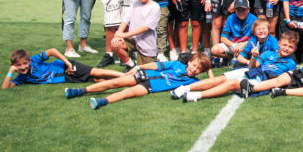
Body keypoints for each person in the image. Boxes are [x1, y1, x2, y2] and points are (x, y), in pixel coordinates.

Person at [173, 31, 298, 102]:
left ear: (295, 49)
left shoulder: (291, 64)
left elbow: (282, 81)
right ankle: (185, 88)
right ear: (279, 43)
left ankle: (197, 95)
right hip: (252, 71)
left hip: (261, 80)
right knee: (220, 79)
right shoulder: (268, 53)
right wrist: (254, 56)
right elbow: (252, 67)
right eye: (285, 45)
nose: (286, 48)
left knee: (232, 84)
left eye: (290, 47)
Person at [65, 53, 212, 110]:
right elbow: (156, 65)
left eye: (199, 69)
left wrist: (209, 70)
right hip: (144, 75)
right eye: (194, 65)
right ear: (189, 61)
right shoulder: (176, 64)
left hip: (150, 87)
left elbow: (212, 83)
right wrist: (139, 67)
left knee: (127, 93)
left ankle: (101, 102)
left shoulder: (193, 81)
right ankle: (80, 91)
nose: (194, 69)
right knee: (114, 83)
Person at [2, 48, 124, 89]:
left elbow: (52, 51)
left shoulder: (34, 60)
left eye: (24, 63)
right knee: (97, 80)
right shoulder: (21, 78)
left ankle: (126, 76)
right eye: (18, 65)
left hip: (65, 67)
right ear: (13, 65)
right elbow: (5, 87)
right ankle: (125, 83)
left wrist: (67, 63)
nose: (23, 67)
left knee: (97, 72)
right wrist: (10, 72)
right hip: (66, 78)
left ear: (28, 61)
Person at [111, 0, 160, 69]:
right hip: (133, 39)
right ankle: (131, 65)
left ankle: (138, 68)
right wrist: (118, 33)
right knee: (115, 44)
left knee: (146, 73)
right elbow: (125, 19)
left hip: (147, 43)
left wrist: (125, 34)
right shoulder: (134, 3)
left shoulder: (155, 7)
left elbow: (146, 27)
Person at [212, 0, 257, 65]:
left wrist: (243, 44)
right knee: (214, 50)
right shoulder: (230, 18)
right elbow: (223, 38)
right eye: (238, 10)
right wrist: (234, 45)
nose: (241, 12)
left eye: (243, 9)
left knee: (255, 49)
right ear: (235, 10)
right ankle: (231, 57)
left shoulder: (254, 19)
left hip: (247, 45)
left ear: (248, 9)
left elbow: (256, 38)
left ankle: (242, 60)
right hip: (233, 45)